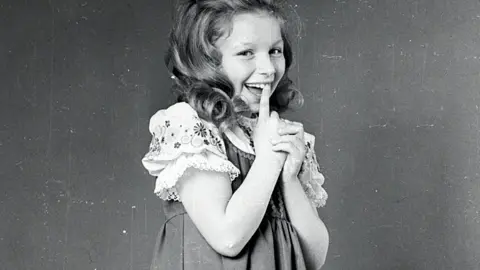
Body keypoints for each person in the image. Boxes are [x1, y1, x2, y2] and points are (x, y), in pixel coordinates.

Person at [141, 0, 329, 269]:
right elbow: (228, 238)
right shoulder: (193, 127)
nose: (268, 68)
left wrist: (289, 178)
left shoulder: (279, 135)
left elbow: (312, 259)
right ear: (207, 61)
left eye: (275, 51)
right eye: (246, 53)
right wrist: (269, 160)